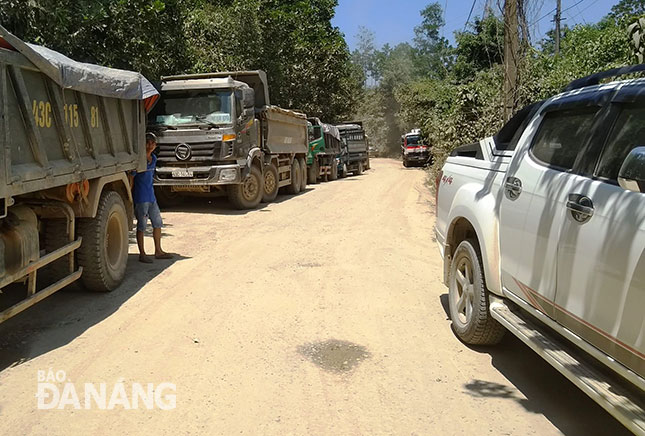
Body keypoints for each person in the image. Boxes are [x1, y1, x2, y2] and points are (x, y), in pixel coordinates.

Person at [131, 132, 173, 263]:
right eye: (147, 143)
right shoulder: (139, 161)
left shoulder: (153, 159)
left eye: (152, 143)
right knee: (142, 226)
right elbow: (131, 178)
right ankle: (142, 254)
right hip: (141, 197)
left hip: (151, 197)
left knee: (157, 223)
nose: (150, 146)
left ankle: (158, 250)